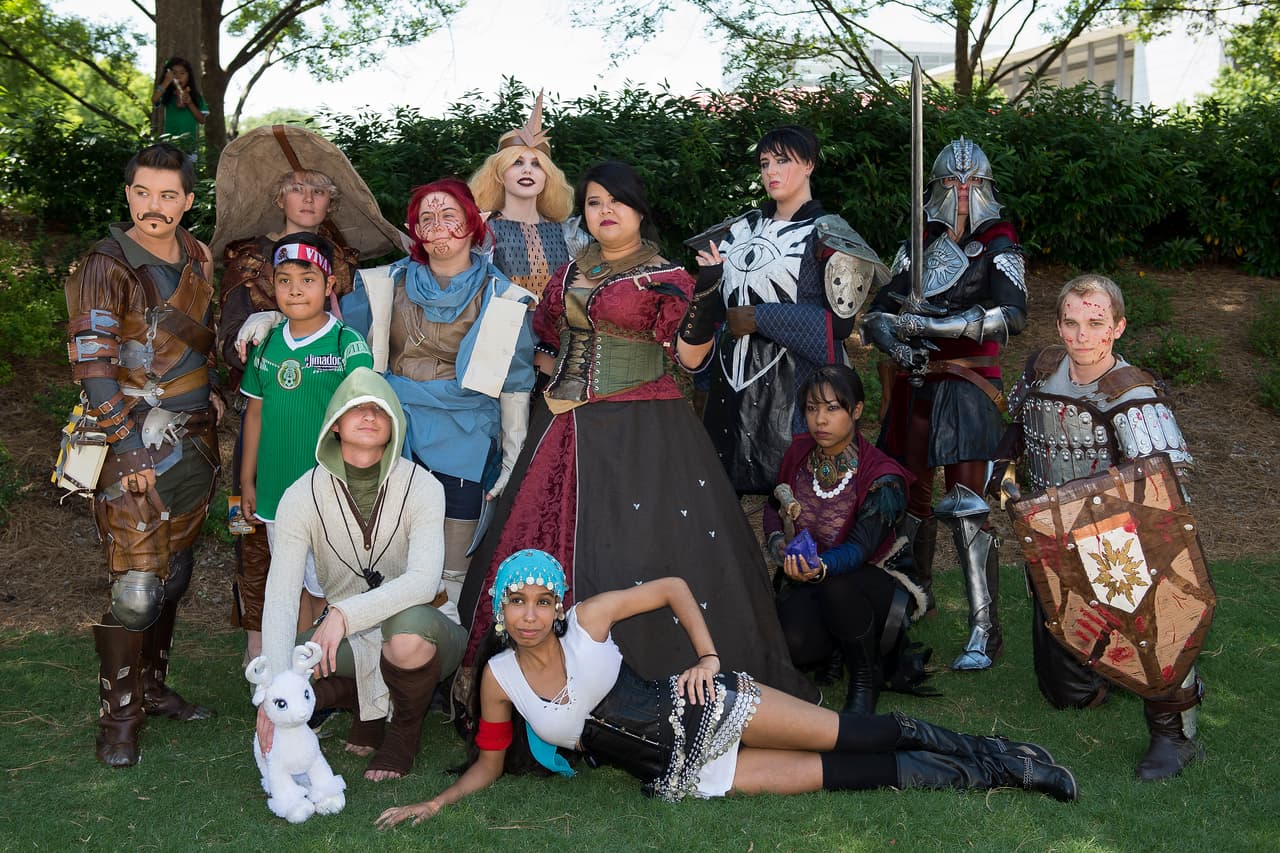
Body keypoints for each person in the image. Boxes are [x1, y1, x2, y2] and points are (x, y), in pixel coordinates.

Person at [457, 161, 816, 703]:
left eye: (616, 202)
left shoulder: (666, 277)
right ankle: (534, 683)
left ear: (639, 212)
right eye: (595, 202)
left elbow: (691, 359)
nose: (605, 212)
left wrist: (709, 293)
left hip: (644, 429)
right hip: (563, 423)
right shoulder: (571, 271)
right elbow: (547, 340)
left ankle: (648, 683)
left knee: (636, 547)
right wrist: (554, 374)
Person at [375, 549, 1075, 826]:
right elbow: (489, 763)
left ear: (558, 604)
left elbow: (674, 587)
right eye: (515, 602)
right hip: (680, 771)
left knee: (860, 732)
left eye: (539, 600)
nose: (528, 615)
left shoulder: (588, 622)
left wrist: (706, 657)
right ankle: (973, 774)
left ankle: (1009, 759)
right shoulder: (497, 681)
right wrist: (434, 800)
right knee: (848, 775)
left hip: (702, 706)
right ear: (499, 608)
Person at [992, 274, 1207, 781]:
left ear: (1117, 328)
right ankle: (1104, 674)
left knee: (1159, 621)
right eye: (1071, 322)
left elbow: (1163, 492)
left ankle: (1175, 731)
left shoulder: (1131, 393)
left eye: (1095, 324)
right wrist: (1000, 477)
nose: (1081, 335)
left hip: (1119, 542)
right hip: (1050, 538)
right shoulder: (1042, 370)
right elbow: (1016, 432)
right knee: (1067, 696)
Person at [212, 124, 404, 655]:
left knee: (328, 556)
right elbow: (230, 342)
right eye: (299, 187)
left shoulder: (343, 258)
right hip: (271, 417)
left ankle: (320, 656)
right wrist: (263, 325)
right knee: (257, 545)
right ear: (279, 197)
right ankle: (262, 652)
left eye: (320, 190)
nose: (309, 198)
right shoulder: (250, 255)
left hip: (333, 424)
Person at [64, 142, 222, 766]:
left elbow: (203, 350)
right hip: (130, 443)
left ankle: (152, 689)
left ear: (187, 200)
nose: (154, 207)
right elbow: (94, 365)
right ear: (128, 194)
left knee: (175, 574)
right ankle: (119, 719)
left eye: (168, 195)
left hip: (193, 441)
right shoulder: (104, 264)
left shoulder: (200, 256)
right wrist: (125, 449)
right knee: (136, 587)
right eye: (142, 193)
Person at [860, 136, 1027, 672]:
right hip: (914, 381)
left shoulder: (1000, 243)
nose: (960, 193)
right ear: (936, 188)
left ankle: (985, 629)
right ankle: (914, 595)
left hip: (969, 383)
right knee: (907, 496)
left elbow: (1014, 315)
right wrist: (893, 336)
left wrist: (932, 324)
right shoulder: (919, 242)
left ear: (984, 188)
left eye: (971, 183)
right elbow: (878, 311)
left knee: (968, 507)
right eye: (952, 184)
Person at [258, 367, 468, 781]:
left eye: (380, 409)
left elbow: (424, 581)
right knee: (301, 667)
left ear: (394, 425)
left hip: (427, 627)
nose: (370, 415)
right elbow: (281, 598)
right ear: (335, 424)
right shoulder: (300, 496)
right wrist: (272, 695)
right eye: (357, 408)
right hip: (348, 640)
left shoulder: (425, 487)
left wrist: (342, 615)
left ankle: (404, 732)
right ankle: (362, 706)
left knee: (405, 634)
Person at [337, 178, 537, 608]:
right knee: (386, 553)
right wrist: (273, 320)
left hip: (466, 439)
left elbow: (516, 382)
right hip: (392, 432)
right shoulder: (380, 284)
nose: (438, 226)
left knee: (452, 570)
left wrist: (511, 459)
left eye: (449, 215)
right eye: (426, 218)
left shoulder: (503, 297)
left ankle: (450, 658)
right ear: (415, 231)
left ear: (472, 225)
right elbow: (334, 339)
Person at [693, 125, 888, 495]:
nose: (771, 172)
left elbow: (840, 326)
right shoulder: (739, 230)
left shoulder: (828, 234)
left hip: (798, 392)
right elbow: (715, 309)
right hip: (731, 391)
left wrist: (758, 317)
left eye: (783, 161)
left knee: (803, 505)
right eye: (765, 163)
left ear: (810, 164)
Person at [765, 365, 927, 715]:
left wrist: (821, 568)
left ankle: (865, 677)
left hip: (874, 583)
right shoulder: (797, 454)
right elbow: (772, 508)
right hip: (814, 579)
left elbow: (860, 548)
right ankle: (835, 649)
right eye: (812, 408)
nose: (820, 419)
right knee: (793, 645)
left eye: (832, 408)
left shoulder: (883, 477)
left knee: (840, 585)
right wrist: (780, 546)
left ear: (856, 411)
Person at [238, 233, 374, 647]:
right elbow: (255, 413)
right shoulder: (266, 346)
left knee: (333, 588)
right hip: (278, 491)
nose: (295, 289)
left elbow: (364, 423)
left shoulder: (347, 346)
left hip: (331, 491)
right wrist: (248, 481)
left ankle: (331, 675)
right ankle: (294, 674)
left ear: (329, 284)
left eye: (308, 279)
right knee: (289, 584)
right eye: (284, 280)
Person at [468, 91, 584, 302]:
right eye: (517, 162)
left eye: (537, 164)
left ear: (548, 176)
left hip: (559, 333)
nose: (527, 171)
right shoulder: (479, 234)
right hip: (497, 332)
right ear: (499, 173)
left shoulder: (572, 235)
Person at [151, 57, 207, 161]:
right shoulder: (167, 96)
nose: (178, 76)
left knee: (186, 174)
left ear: (188, 76)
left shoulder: (196, 97)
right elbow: (154, 99)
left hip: (189, 146)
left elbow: (202, 119)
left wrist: (190, 103)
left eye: (182, 73)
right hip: (169, 145)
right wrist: (166, 82)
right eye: (174, 73)